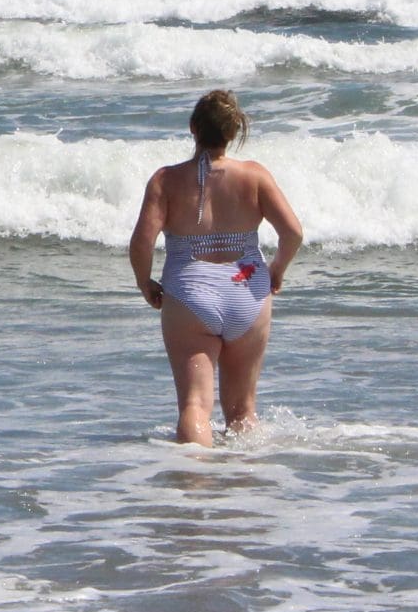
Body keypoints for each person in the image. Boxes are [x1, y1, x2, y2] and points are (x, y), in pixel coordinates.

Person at [129, 89, 305, 446]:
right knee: (243, 411)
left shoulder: (166, 180)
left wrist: (143, 281)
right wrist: (277, 269)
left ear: (193, 127)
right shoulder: (254, 176)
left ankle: (193, 485)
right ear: (233, 132)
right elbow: (293, 232)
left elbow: (142, 242)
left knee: (195, 406)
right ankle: (240, 487)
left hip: (190, 295)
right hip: (249, 291)